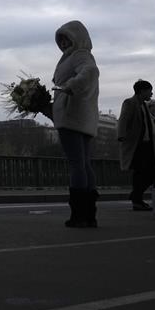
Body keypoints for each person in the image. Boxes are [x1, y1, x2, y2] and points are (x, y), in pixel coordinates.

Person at [51, 20, 100, 228]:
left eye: (66, 38)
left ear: (76, 37)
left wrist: (71, 86)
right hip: (83, 117)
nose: (63, 44)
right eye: (60, 40)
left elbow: (90, 72)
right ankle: (89, 214)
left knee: (76, 164)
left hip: (72, 116)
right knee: (84, 164)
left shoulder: (79, 55)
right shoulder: (78, 56)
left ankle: (79, 214)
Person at [118, 79, 155, 210]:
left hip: (147, 145)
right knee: (144, 171)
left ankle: (136, 196)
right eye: (149, 91)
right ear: (142, 91)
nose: (151, 94)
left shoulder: (143, 105)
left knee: (152, 171)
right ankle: (137, 199)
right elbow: (123, 120)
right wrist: (121, 136)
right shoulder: (130, 103)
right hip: (137, 145)